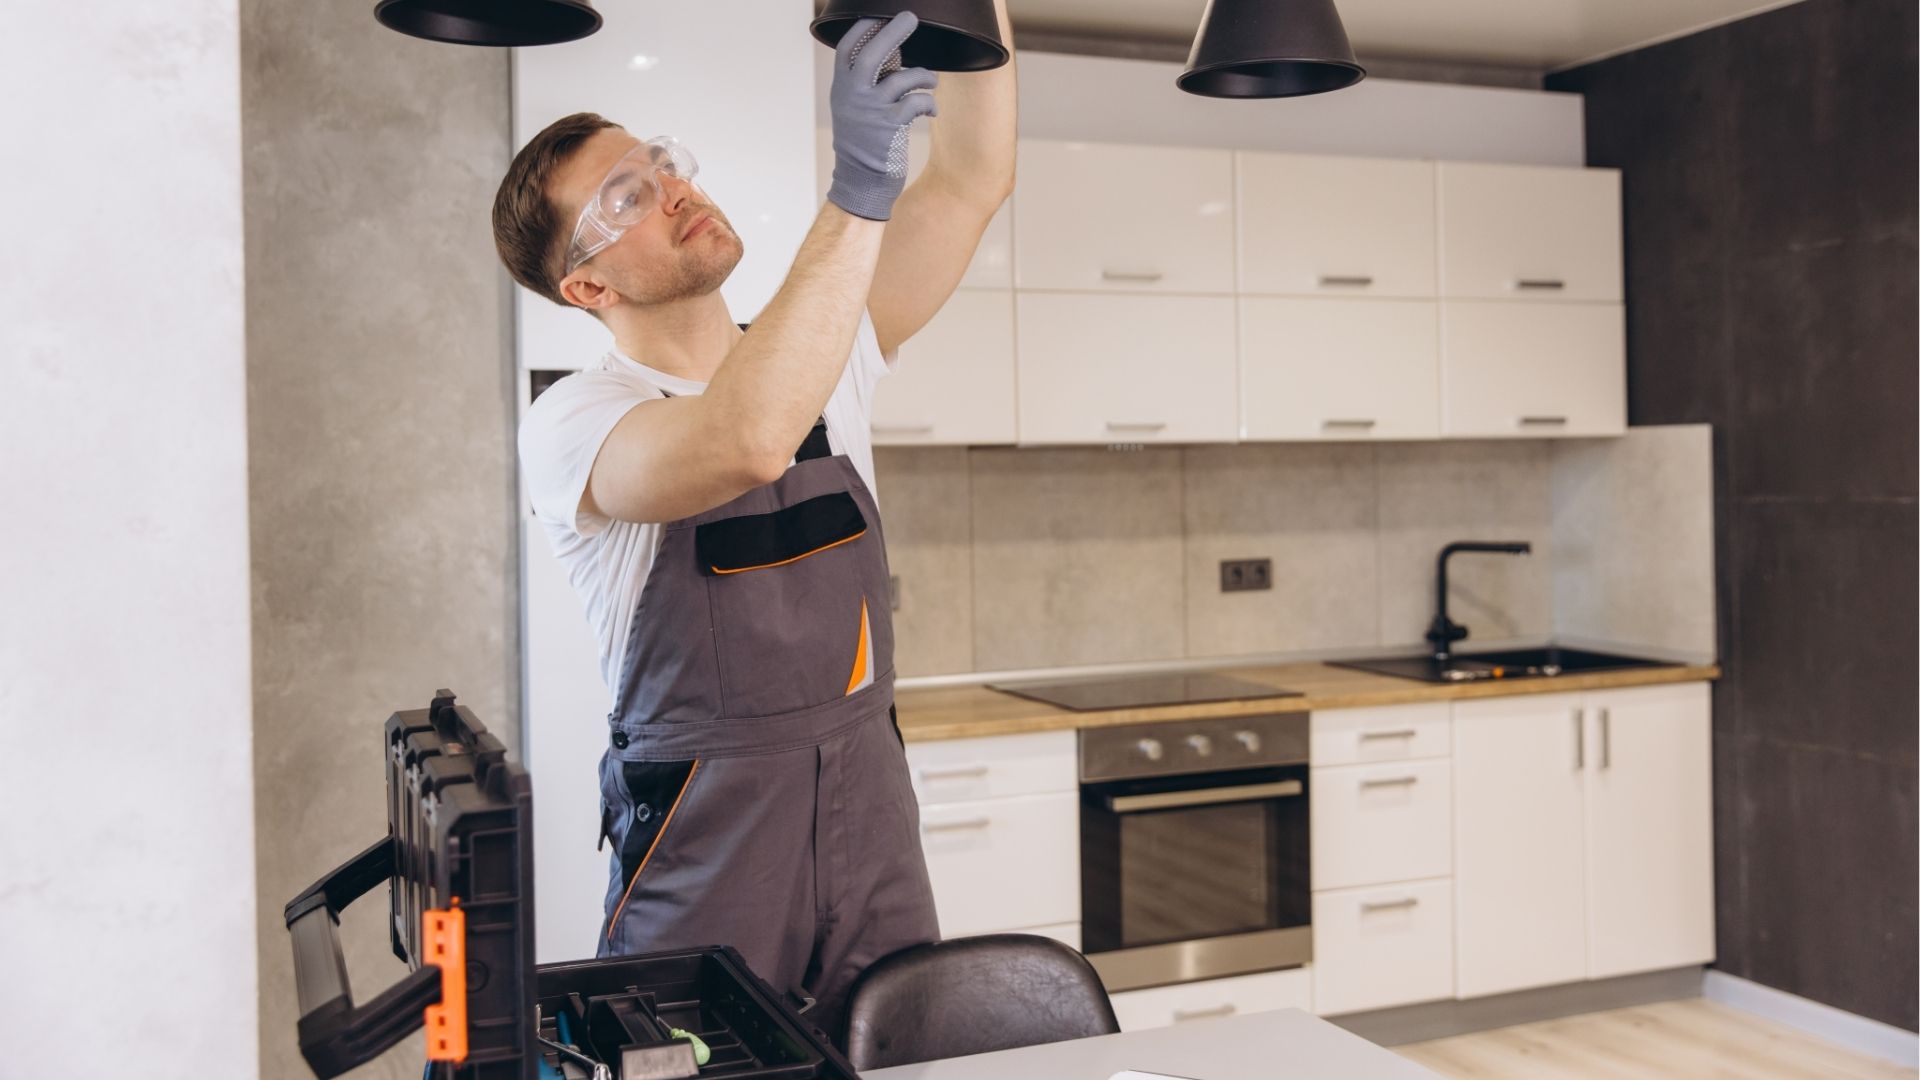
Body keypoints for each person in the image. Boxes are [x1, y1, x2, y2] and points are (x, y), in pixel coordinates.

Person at [492, 7, 1016, 1041]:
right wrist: (857, 187)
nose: (673, 189)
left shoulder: (822, 353)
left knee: (898, 1060)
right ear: (587, 285)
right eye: (625, 197)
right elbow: (744, 440)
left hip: (872, 823)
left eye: (661, 164)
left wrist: (976, 14)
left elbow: (970, 178)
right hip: (709, 850)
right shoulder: (575, 423)